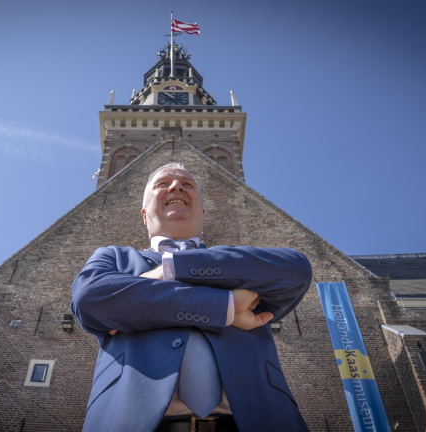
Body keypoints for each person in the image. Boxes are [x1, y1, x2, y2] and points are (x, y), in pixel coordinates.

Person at [71, 162, 312, 432]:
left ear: (203, 212)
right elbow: (90, 297)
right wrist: (226, 306)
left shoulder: (240, 259)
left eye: (187, 185)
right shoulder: (113, 257)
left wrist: (167, 271)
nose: (176, 186)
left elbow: (296, 269)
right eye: (162, 184)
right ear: (143, 214)